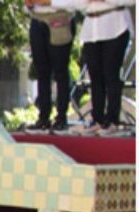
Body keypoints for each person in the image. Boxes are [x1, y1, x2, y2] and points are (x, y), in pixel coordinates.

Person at [34, 0, 134, 133]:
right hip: (92, 27)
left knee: (111, 74)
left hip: (115, 24)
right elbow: (76, 3)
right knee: (95, 76)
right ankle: (97, 119)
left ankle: (112, 120)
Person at [25, 2, 77, 131]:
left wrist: (48, 2)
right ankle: (43, 118)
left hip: (60, 19)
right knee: (41, 72)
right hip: (37, 19)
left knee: (60, 72)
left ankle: (61, 118)